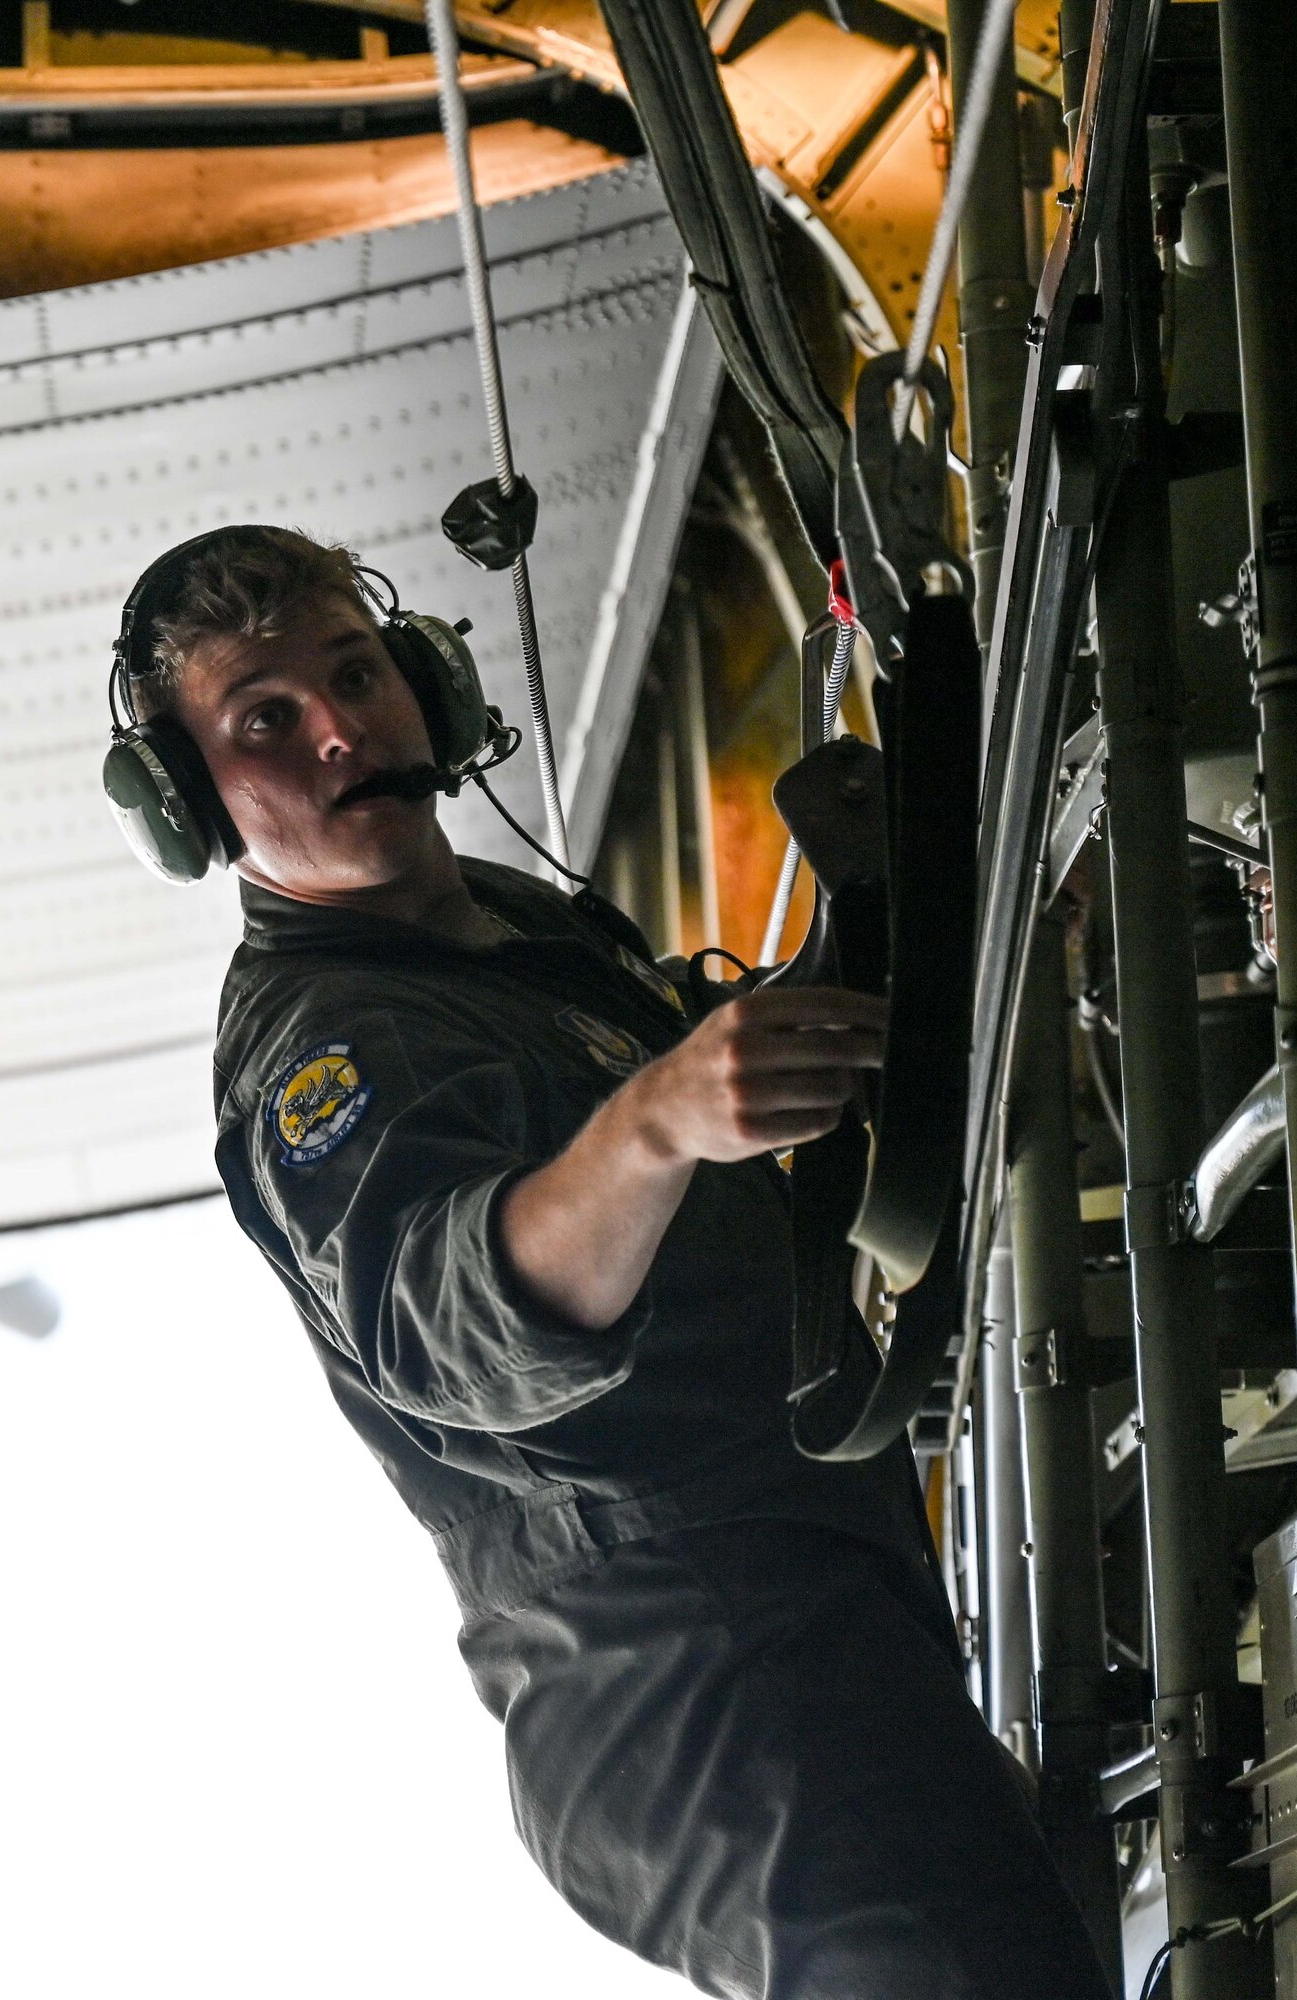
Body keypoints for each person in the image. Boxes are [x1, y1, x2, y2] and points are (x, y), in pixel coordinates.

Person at [115, 524, 1113, 1999]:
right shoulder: (319, 1048)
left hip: (806, 1603)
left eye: (360, 672)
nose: (341, 729)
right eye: (266, 719)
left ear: (428, 691)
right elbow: (453, 1318)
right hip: (687, 1676)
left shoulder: (508, 928)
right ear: (197, 801)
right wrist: (654, 1122)